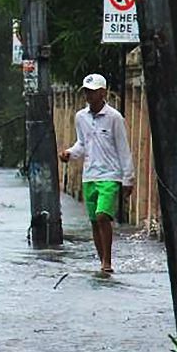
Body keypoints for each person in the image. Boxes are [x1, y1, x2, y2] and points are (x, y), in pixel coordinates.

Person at [59, 73, 134, 274]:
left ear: (103, 92)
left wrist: (128, 179)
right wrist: (69, 153)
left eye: (92, 92)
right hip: (89, 175)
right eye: (86, 91)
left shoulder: (114, 118)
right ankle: (102, 261)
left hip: (110, 175)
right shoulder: (80, 117)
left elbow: (123, 148)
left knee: (103, 216)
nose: (89, 95)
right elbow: (82, 144)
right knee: (94, 220)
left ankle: (107, 261)